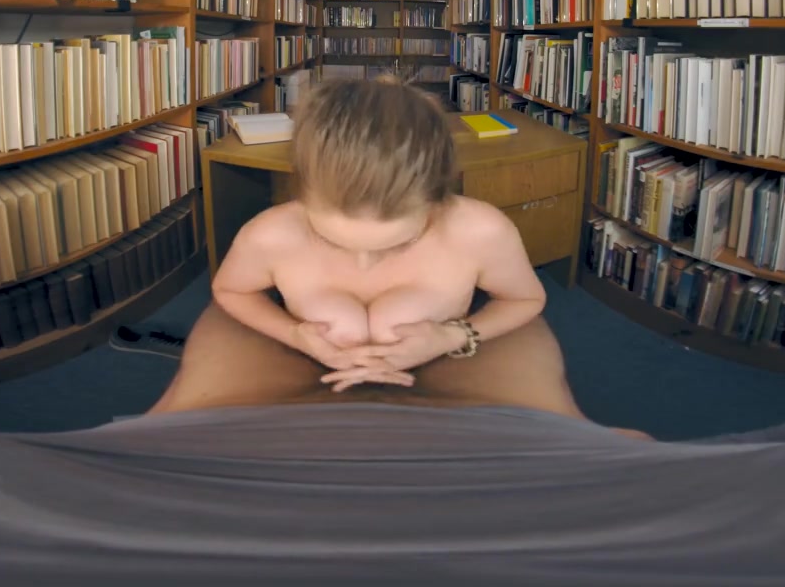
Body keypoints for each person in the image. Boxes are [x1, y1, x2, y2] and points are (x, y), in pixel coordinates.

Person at [205, 77, 548, 392]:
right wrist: (293, 334)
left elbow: (525, 299)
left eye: (399, 243)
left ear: (435, 198)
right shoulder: (271, 234)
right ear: (303, 192)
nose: (364, 260)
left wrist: (453, 336)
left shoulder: (479, 230)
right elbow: (231, 290)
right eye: (333, 240)